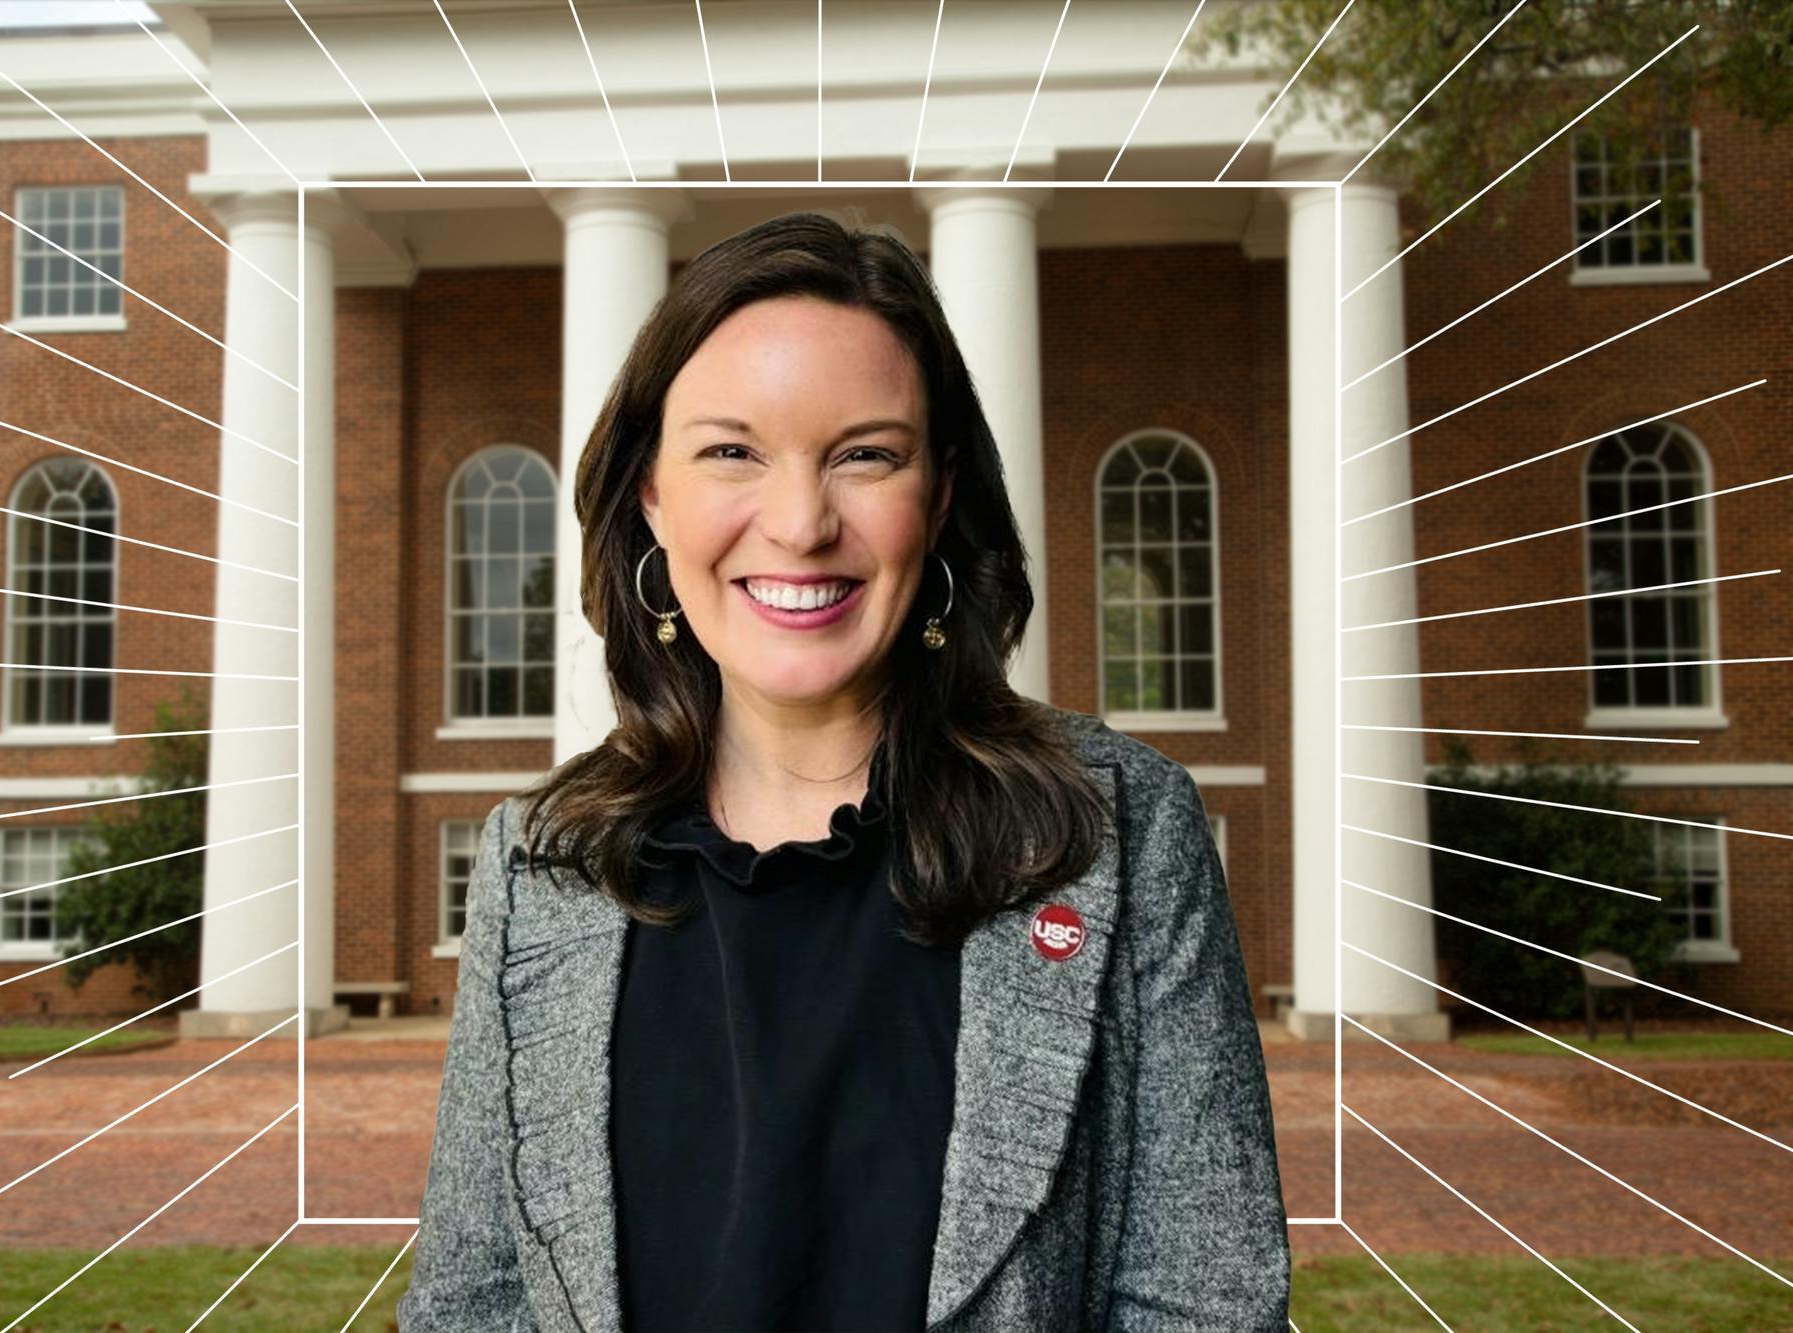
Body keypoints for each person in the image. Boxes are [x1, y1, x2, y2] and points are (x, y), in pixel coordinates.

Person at [397, 210, 1290, 1332]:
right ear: (651, 495)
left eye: (865, 454)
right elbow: (473, 1304)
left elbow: (1203, 1303)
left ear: (941, 493)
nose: (800, 523)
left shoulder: (1120, 832)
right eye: (731, 451)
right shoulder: (541, 864)